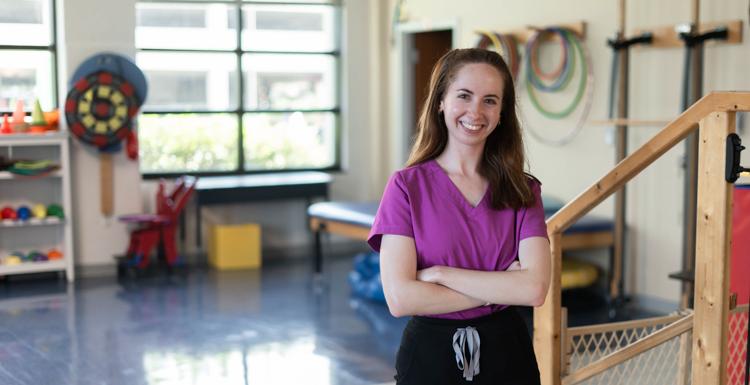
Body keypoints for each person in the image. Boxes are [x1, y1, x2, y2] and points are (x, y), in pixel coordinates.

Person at [367, 48, 551, 385]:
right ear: (441, 101)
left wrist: (439, 274)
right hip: (429, 355)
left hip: (508, 352)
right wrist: (501, 287)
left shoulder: (524, 190)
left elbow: (535, 289)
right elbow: (400, 298)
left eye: (490, 100)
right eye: (464, 96)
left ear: (502, 113)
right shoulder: (406, 187)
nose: (476, 111)